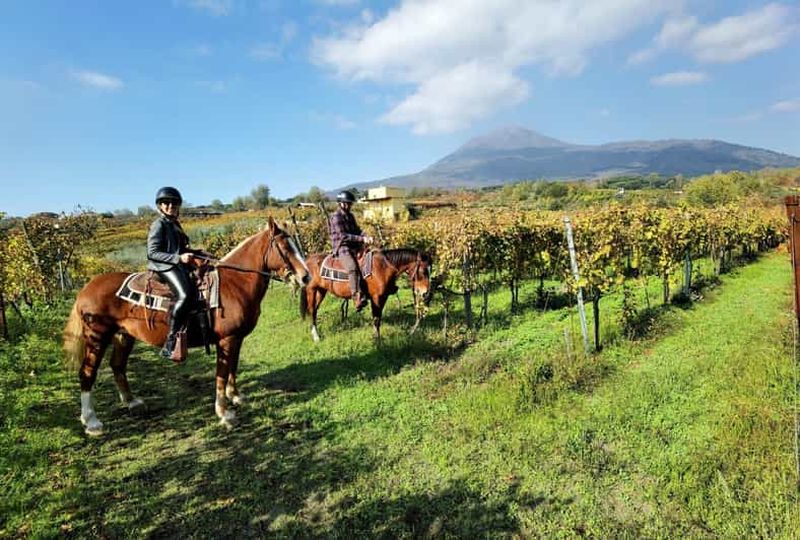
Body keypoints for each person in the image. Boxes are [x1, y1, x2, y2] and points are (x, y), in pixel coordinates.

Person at [147, 186, 197, 358]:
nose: (170, 206)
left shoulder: (174, 224)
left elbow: (181, 248)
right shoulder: (158, 224)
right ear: (160, 206)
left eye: (174, 203)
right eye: (166, 203)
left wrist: (198, 253)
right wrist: (178, 259)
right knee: (185, 294)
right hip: (163, 267)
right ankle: (170, 341)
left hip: (175, 264)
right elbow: (152, 253)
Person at [329, 190, 373, 311]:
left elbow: (357, 230)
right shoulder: (336, 217)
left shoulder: (350, 216)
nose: (349, 206)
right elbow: (343, 235)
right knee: (352, 268)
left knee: (369, 260)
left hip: (353, 245)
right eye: (347, 203)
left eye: (350, 204)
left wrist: (366, 235)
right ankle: (356, 297)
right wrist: (362, 239)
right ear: (341, 203)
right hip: (342, 247)